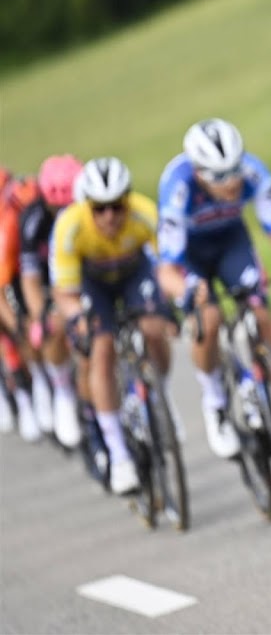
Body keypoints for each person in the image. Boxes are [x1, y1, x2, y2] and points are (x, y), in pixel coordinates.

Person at [156, 118, 271, 462]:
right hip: (190, 255)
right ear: (199, 172)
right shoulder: (178, 188)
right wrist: (188, 290)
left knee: (261, 315)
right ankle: (215, 402)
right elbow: (167, 270)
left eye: (233, 170)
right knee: (210, 318)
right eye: (219, 176)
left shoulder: (253, 173)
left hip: (231, 242)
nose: (230, 182)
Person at [50, 157, 173, 494]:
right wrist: (78, 318)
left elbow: (168, 264)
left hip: (134, 273)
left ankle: (161, 393)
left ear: (128, 201)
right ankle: (119, 456)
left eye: (117, 207)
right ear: (87, 205)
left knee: (153, 328)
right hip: (92, 286)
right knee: (101, 350)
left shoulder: (144, 213)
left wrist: (171, 301)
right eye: (100, 208)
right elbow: (64, 293)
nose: (110, 216)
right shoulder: (70, 227)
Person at [19, 155, 84, 447]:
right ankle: (62, 390)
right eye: (58, 208)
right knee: (52, 326)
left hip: (85, 273)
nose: (64, 214)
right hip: (49, 282)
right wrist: (41, 313)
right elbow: (29, 279)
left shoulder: (91, 208)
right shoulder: (32, 222)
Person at [0, 172, 44, 442]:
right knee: (11, 332)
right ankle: (21, 398)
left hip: (21, 265)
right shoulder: (8, 226)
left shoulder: (25, 195)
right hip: (8, 271)